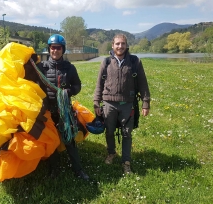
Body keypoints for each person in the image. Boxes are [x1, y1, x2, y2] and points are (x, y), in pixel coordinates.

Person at [93, 33, 150, 174]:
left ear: (126, 45)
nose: (120, 46)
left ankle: (126, 161)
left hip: (127, 104)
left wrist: (145, 103)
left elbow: (143, 83)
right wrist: (96, 102)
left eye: (122, 44)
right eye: (117, 44)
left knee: (127, 134)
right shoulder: (106, 62)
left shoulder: (135, 62)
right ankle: (111, 153)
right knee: (110, 132)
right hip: (109, 104)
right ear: (112, 45)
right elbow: (99, 84)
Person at [37, 34, 89, 180]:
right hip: (48, 111)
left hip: (64, 110)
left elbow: (77, 85)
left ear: (63, 50)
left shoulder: (69, 68)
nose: (55, 51)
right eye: (53, 48)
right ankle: (54, 169)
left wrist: (69, 92)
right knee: (52, 141)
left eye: (58, 48)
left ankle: (78, 170)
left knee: (69, 140)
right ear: (49, 49)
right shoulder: (42, 68)